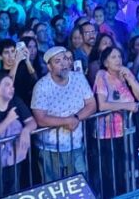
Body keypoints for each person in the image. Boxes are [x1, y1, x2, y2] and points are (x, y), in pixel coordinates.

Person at [30, 47, 95, 182]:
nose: (64, 64)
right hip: (50, 148)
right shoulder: (41, 86)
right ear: (49, 66)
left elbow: (92, 105)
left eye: (65, 59)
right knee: (54, 188)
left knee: (79, 185)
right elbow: (40, 119)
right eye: (58, 61)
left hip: (75, 144)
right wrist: (67, 121)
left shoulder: (78, 78)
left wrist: (76, 119)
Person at [90, 46, 139, 197]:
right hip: (107, 133)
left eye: (119, 56)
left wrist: (129, 79)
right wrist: (126, 106)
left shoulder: (125, 72)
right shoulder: (102, 75)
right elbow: (102, 105)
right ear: (106, 62)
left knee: (125, 169)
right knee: (110, 172)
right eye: (113, 57)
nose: (118, 60)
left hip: (126, 130)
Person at [0, 73, 37, 198]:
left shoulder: (16, 101)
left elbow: (32, 122)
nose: (12, 88)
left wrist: (26, 131)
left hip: (15, 157)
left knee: (14, 190)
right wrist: (8, 120)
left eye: (12, 85)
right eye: (7, 85)